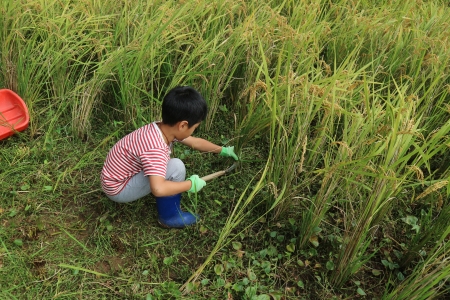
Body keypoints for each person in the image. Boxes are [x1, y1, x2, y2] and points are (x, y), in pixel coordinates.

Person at [100, 86, 238, 228]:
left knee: (172, 167)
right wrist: (190, 185)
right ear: (183, 125)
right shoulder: (156, 148)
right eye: (195, 127)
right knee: (176, 168)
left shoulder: (163, 127)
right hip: (118, 188)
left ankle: (166, 201)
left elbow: (195, 142)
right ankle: (169, 217)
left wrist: (223, 150)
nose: (193, 131)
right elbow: (158, 189)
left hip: (113, 178)